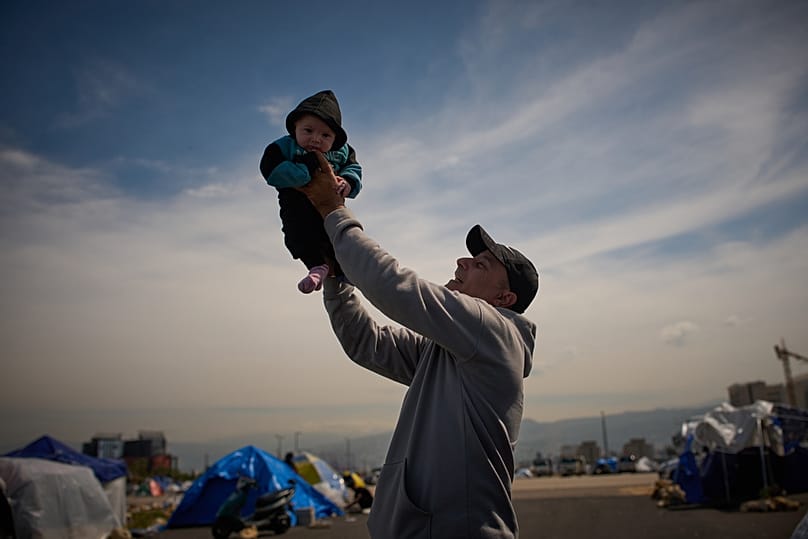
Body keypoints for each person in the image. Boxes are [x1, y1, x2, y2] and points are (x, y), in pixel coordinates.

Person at [298, 152, 539, 538]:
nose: (462, 261)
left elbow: (395, 288)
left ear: (504, 299)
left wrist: (334, 211)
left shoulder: (494, 330)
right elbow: (366, 342)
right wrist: (338, 278)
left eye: (481, 265)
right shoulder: (449, 349)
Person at [259, 90, 362, 293]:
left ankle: (344, 272)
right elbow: (270, 170)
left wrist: (348, 182)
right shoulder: (284, 146)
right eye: (308, 130)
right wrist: (305, 171)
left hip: (331, 205)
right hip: (296, 202)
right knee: (297, 234)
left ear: (335, 138)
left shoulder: (343, 151)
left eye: (325, 135)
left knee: (339, 236)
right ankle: (316, 266)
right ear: (295, 128)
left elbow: (354, 169)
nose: (316, 139)